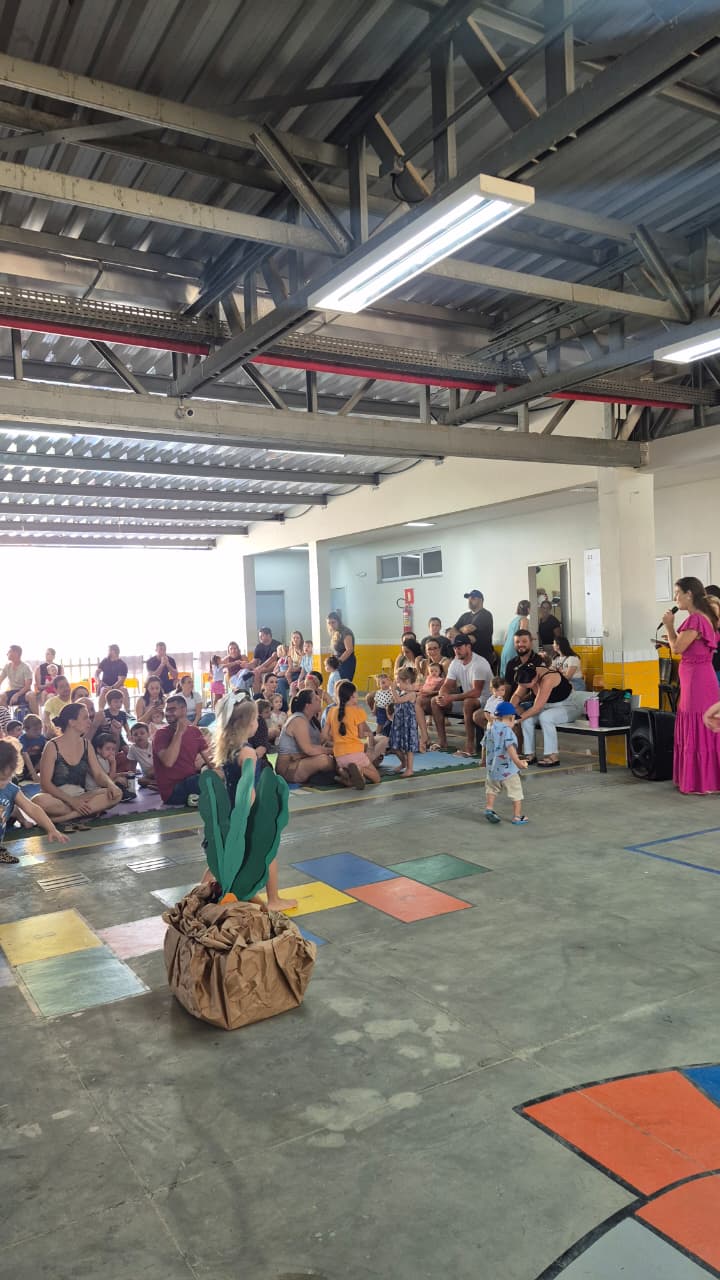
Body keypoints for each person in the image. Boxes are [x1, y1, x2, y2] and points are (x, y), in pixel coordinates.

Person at [211, 693, 297, 910]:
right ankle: (274, 899)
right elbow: (247, 787)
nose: (258, 723)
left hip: (230, 809)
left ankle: (201, 892)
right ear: (248, 724)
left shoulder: (228, 748)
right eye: (256, 719)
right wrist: (253, 816)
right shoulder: (248, 752)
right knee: (268, 852)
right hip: (246, 811)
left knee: (223, 856)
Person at [662, 577, 720, 795]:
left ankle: (701, 781)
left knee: (698, 723)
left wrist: (669, 626)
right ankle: (708, 779)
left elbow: (677, 648)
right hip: (699, 677)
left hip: (697, 679)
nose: (675, 597)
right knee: (703, 723)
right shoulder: (706, 617)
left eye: (677, 592)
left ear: (689, 594)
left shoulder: (696, 620)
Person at [33, 703, 122, 831]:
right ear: (72, 722)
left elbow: (98, 774)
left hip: (82, 796)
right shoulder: (52, 746)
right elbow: (45, 784)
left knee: (117, 793)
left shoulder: (86, 745)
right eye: (85, 718)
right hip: (58, 798)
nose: (89, 721)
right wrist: (72, 801)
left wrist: (110, 784)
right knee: (38, 801)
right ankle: (87, 812)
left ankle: (62, 818)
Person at [0, 738, 69, 863]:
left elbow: (33, 809)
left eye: (5, 779)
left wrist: (51, 828)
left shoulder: (11, 789)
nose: (1, 783)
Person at [430, 634, 493, 757]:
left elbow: (476, 692)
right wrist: (442, 696)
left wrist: (451, 697)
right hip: (468, 699)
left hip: (486, 701)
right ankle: (442, 742)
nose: (456, 651)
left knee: (468, 702)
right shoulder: (455, 662)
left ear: (468, 646)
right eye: (454, 648)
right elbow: (447, 684)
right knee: (434, 701)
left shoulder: (479, 663)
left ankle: (470, 747)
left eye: (459, 647)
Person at [511, 660, 582, 766]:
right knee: (527, 719)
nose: (525, 688)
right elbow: (517, 695)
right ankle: (529, 754)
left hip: (569, 707)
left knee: (545, 717)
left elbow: (537, 708)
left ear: (535, 678)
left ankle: (552, 756)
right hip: (547, 707)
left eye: (527, 686)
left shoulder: (548, 678)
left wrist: (514, 721)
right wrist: (508, 712)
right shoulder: (526, 673)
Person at [152, 694, 212, 807]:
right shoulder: (160, 734)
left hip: (191, 781)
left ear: (184, 710)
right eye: (166, 710)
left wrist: (220, 771)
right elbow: (168, 762)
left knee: (220, 774)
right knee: (204, 780)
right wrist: (179, 732)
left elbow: (210, 761)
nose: (168, 713)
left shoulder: (195, 732)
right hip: (172, 791)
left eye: (172, 710)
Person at [325, 681, 387, 789]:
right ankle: (359, 769)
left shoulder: (331, 711)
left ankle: (345, 775)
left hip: (339, 756)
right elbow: (361, 735)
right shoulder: (357, 711)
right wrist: (368, 736)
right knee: (376, 778)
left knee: (356, 774)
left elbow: (326, 735)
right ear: (352, 696)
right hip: (355, 753)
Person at [275, 688, 336, 786]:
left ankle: (342, 774)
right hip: (288, 769)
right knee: (324, 760)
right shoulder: (298, 720)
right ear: (308, 705)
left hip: (301, 760)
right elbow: (309, 750)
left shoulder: (312, 721)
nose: (320, 700)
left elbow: (321, 742)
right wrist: (333, 751)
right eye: (316, 699)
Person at [482, 701, 529, 826]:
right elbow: (510, 748)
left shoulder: (490, 728)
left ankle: (489, 808)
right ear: (511, 718)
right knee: (516, 792)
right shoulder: (507, 731)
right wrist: (518, 763)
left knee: (492, 789)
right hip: (508, 770)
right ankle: (517, 817)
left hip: (492, 768)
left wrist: (483, 761)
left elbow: (484, 745)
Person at [388, 668, 419, 777]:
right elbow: (396, 702)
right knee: (394, 745)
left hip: (408, 724)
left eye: (398, 682)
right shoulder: (402, 692)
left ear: (407, 681)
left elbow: (398, 700)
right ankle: (403, 763)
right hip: (399, 722)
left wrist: (392, 690)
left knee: (408, 748)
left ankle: (410, 769)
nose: (397, 684)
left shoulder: (412, 694)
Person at [453, 590, 495, 668]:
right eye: (468, 599)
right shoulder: (465, 615)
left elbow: (468, 629)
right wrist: (464, 634)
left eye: (473, 598)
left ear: (481, 600)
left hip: (482, 657)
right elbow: (452, 631)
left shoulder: (485, 614)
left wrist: (459, 631)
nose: (469, 601)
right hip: (467, 658)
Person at [416, 661, 445, 751]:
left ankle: (425, 737)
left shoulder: (440, 680)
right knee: (414, 700)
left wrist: (429, 692)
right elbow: (424, 687)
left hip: (431, 697)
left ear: (440, 672)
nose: (433, 673)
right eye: (431, 671)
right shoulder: (428, 679)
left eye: (436, 671)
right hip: (424, 696)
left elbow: (439, 691)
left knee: (417, 702)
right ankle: (419, 735)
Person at [0, 645, 37, 715]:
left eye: (9, 652)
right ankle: (7, 719)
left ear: (16, 653)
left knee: (31, 695)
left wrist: (17, 695)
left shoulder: (26, 667)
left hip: (24, 691)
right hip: (12, 691)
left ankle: (37, 719)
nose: (7, 654)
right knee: (1, 696)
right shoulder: (7, 666)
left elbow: (27, 686)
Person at [505, 631, 543, 695]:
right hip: (513, 699)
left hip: (535, 699)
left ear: (531, 643)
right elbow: (508, 686)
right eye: (517, 642)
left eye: (524, 641)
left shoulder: (540, 661)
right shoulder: (511, 663)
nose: (520, 644)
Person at [500, 601, 532, 676]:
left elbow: (505, 637)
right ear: (528, 609)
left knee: (506, 676)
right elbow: (523, 636)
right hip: (513, 651)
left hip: (505, 650)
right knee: (515, 677)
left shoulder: (513, 620)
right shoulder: (524, 620)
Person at [95, 644, 129, 710]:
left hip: (117, 687)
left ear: (115, 651)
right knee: (104, 690)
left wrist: (112, 688)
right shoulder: (105, 661)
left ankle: (127, 711)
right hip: (105, 685)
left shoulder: (122, 664)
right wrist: (98, 680)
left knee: (124, 690)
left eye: (110, 650)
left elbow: (121, 680)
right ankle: (100, 711)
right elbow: (97, 672)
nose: (108, 652)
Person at [127, 721, 158, 790]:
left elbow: (161, 761)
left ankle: (161, 784)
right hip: (147, 775)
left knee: (150, 772)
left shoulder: (153, 745)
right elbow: (132, 767)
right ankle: (157, 784)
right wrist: (130, 779)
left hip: (158, 770)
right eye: (135, 734)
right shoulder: (133, 749)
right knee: (140, 781)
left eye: (142, 733)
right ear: (132, 738)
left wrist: (153, 770)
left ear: (148, 734)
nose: (139, 736)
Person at [326, 612, 356, 681]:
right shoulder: (335, 632)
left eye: (333, 622)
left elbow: (349, 650)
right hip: (337, 662)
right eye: (329, 623)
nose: (331, 625)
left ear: (338, 621)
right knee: (335, 684)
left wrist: (338, 662)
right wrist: (330, 663)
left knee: (343, 685)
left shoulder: (346, 632)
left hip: (346, 662)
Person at [19, 713, 47, 784]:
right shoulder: (22, 739)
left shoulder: (42, 738)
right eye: (35, 730)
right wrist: (33, 774)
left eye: (40, 729)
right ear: (26, 729)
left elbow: (46, 754)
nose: (39, 732)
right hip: (26, 763)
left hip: (38, 761)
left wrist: (37, 767)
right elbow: (26, 757)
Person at [251, 627, 280, 692]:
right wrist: (247, 665)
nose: (260, 638)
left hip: (274, 667)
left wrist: (261, 667)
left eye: (262, 636)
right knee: (256, 673)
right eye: (259, 636)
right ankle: (257, 696)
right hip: (262, 668)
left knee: (274, 663)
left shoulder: (277, 645)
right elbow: (255, 661)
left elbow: (273, 659)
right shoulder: (259, 646)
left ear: (268, 635)